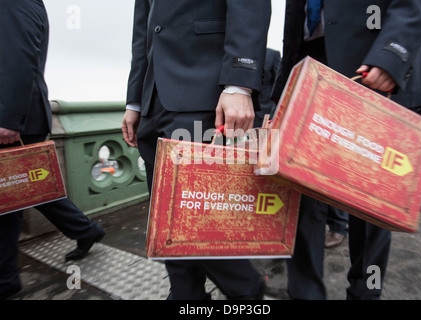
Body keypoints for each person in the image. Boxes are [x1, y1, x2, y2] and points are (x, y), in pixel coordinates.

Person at [272, 0, 421, 299]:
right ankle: (305, 293)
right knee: (299, 188)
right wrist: (282, 85)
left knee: (370, 196)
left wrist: (393, 52)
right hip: (310, 63)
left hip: (371, 57)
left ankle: (364, 292)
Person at [122, 0, 271, 299]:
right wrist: (134, 101)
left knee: (198, 215)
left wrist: (239, 84)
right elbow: (144, 31)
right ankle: (185, 295)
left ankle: (247, 293)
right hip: (154, 100)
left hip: (204, 88)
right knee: (165, 218)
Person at [0, 0, 105, 300]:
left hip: (15, 120)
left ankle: (6, 281)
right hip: (18, 117)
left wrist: (7, 120)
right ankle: (85, 230)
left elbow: (19, 58)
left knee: (8, 202)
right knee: (29, 187)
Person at [254, 48, 282, 128]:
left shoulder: (273, 55)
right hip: (242, 111)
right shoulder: (239, 53)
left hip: (265, 112)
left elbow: (278, 84)